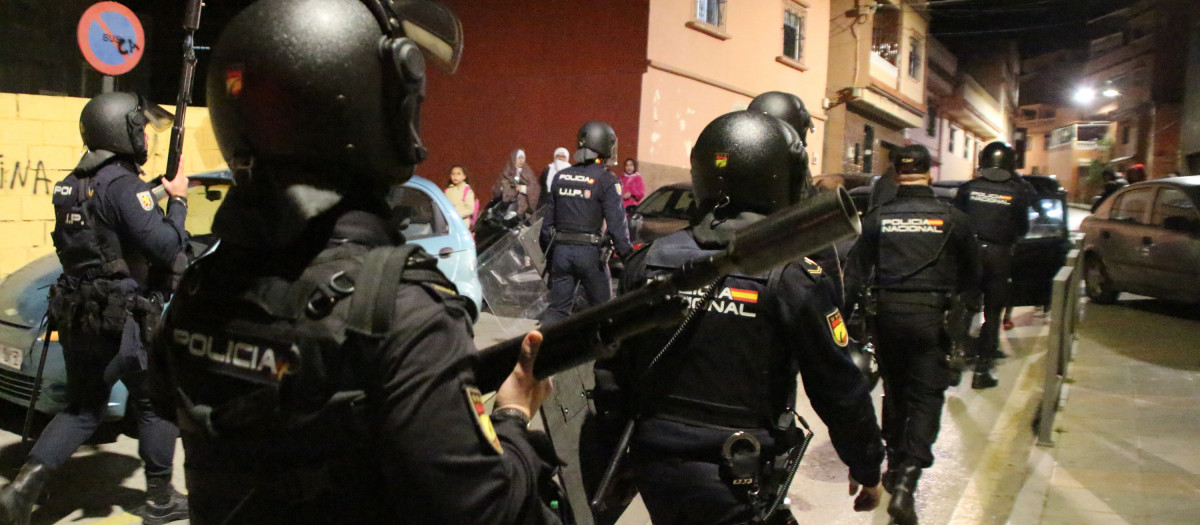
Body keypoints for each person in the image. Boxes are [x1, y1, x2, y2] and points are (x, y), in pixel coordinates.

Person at [146, 1, 562, 523]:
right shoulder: (403, 310)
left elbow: (167, 402)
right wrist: (514, 417)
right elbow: (482, 507)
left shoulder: (202, 286)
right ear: (378, 114)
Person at [597, 111, 884, 525]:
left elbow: (612, 374)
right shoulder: (792, 275)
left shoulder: (648, 262)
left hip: (655, 470)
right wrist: (868, 465)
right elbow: (837, 386)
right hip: (736, 473)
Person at [0, 92, 191, 525]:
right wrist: (177, 199)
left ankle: (20, 491)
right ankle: (160, 500)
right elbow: (167, 247)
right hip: (127, 318)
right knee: (155, 404)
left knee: (84, 408)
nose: (144, 134)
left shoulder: (72, 183)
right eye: (138, 127)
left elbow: (107, 218)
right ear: (120, 131)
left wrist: (154, 189)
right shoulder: (123, 185)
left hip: (81, 313)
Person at [843, 144, 981, 525]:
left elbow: (854, 276)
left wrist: (845, 322)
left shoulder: (878, 218)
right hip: (932, 320)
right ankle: (906, 480)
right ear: (929, 173)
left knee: (895, 390)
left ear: (896, 174)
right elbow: (974, 279)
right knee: (926, 398)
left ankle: (894, 461)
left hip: (886, 318)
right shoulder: (954, 219)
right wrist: (964, 325)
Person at [951, 141, 1033, 390]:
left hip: (970, 253)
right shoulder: (1017, 192)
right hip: (999, 256)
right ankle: (982, 369)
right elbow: (1023, 229)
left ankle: (956, 357)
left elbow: (955, 220)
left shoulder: (968, 188)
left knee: (965, 307)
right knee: (993, 313)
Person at [538, 121, 633, 324]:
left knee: (557, 312)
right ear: (604, 146)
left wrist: (551, 257)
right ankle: (603, 354)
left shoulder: (561, 177)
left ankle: (541, 351)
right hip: (590, 255)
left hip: (561, 253)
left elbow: (546, 227)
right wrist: (629, 257)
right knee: (603, 312)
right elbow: (617, 226)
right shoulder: (607, 180)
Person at [493, 148, 541, 221]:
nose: (521, 160)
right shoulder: (506, 172)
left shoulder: (528, 173)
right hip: (509, 209)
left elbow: (535, 188)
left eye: (523, 158)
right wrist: (505, 189)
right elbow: (497, 189)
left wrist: (525, 189)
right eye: (519, 158)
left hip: (525, 211)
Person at [444, 164, 478, 228]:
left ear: (464, 176)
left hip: (462, 224)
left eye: (458, 174)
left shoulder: (467, 190)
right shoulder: (448, 190)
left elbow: (470, 209)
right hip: (449, 223)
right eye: (453, 174)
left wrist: (456, 215)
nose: (455, 176)